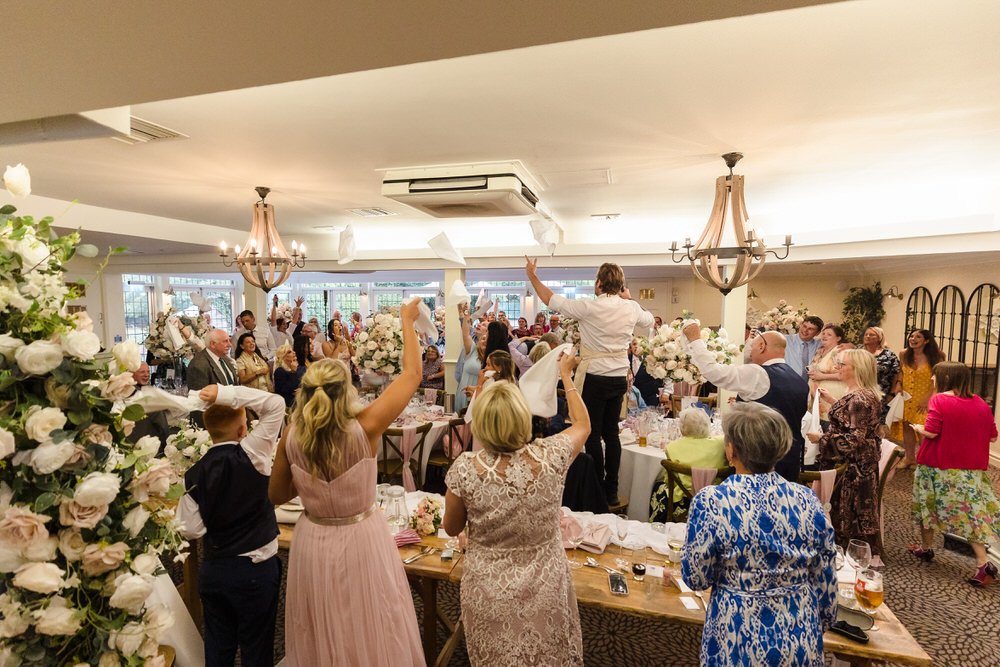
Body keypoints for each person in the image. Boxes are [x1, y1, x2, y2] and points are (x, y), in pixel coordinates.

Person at [268, 300, 424, 665]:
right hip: (360, 538)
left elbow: (275, 495)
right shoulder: (365, 427)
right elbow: (413, 375)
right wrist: (406, 321)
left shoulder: (292, 435)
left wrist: (308, 483)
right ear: (348, 389)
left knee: (320, 623)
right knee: (372, 619)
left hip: (314, 540)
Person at [443, 352, 590, 666]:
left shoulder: (467, 469)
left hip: (489, 586)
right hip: (546, 581)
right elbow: (583, 424)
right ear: (523, 416)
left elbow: (452, 528)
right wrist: (566, 375)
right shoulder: (551, 454)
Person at [683, 402, 837, 667]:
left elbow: (696, 578)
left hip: (737, 636)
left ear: (731, 450)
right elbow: (826, 582)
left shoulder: (712, 501)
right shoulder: (807, 500)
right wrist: (815, 625)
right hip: (799, 634)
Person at [525, 258, 655, 505]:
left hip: (595, 376)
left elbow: (550, 299)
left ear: (598, 284)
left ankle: (596, 487)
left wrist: (532, 276)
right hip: (619, 377)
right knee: (612, 434)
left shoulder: (589, 307)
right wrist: (629, 299)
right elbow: (649, 320)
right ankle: (612, 491)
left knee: (592, 434)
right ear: (620, 285)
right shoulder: (631, 308)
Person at [177, 383, 287, 667]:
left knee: (218, 650)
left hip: (214, 570)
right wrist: (223, 393)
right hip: (255, 570)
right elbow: (275, 403)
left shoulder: (193, 474)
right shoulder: (254, 454)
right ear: (243, 430)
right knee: (257, 649)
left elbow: (190, 529)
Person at [909, 362, 1000, 586]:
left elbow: (931, 432)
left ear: (946, 377)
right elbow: (992, 437)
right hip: (970, 471)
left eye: (935, 375)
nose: (931, 378)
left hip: (937, 466)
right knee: (971, 515)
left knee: (926, 506)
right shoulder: (980, 402)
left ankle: (927, 548)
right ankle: (982, 562)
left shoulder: (939, 400)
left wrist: (917, 428)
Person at [681, 323, 809, 483]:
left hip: (758, 461)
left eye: (753, 346)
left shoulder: (758, 373)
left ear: (762, 346)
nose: (750, 351)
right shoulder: (798, 379)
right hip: (790, 459)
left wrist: (695, 340)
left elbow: (714, 373)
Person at [807, 349, 884, 558]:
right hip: (859, 464)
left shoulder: (859, 399)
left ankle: (851, 557)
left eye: (841, 365)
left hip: (854, 470)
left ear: (856, 369)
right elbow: (855, 421)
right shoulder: (859, 394)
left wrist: (821, 439)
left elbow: (853, 440)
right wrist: (834, 401)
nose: (836, 368)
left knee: (849, 516)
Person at [649, 407, 726, 521]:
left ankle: (658, 526)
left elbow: (668, 480)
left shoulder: (672, 447)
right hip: (717, 498)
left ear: (682, 428)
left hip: (684, 500)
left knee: (658, 485)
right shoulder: (721, 443)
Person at [891, 329, 943, 468]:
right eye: (911, 336)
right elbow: (901, 371)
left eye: (918, 337)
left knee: (923, 430)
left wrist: (927, 399)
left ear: (926, 340)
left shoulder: (937, 356)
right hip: (907, 396)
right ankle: (909, 458)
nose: (913, 339)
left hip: (925, 397)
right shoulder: (904, 354)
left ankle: (925, 461)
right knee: (907, 427)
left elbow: (938, 379)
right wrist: (898, 384)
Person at [807, 324, 849, 427]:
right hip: (816, 396)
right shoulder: (820, 351)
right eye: (823, 333)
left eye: (829, 334)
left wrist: (822, 376)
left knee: (828, 425)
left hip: (832, 394)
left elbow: (845, 374)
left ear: (838, 338)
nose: (824, 336)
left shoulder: (840, 352)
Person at [861, 326, 901, 423]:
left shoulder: (888, 354)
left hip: (881, 393)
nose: (868, 336)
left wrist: (892, 393)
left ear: (879, 337)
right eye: (866, 334)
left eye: (871, 335)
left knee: (877, 423)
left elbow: (896, 372)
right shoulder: (859, 352)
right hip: (860, 392)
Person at [455, 303, 487, 414]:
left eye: (487, 339)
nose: (484, 341)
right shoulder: (472, 349)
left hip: (479, 396)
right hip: (463, 392)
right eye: (483, 339)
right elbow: (465, 334)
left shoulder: (492, 357)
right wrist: (465, 313)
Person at [784, 315, 824, 381]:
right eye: (804, 326)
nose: (805, 330)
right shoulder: (784, 340)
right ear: (800, 325)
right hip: (787, 382)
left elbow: (839, 343)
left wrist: (847, 345)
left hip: (811, 385)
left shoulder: (820, 344)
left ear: (817, 333)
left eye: (811, 329)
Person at [273, 342, 306, 407]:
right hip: (288, 402)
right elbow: (291, 389)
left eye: (293, 350)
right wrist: (293, 372)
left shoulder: (302, 368)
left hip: (302, 397)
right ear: (283, 356)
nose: (294, 352)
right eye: (289, 352)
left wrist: (303, 390)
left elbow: (306, 383)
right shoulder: (279, 371)